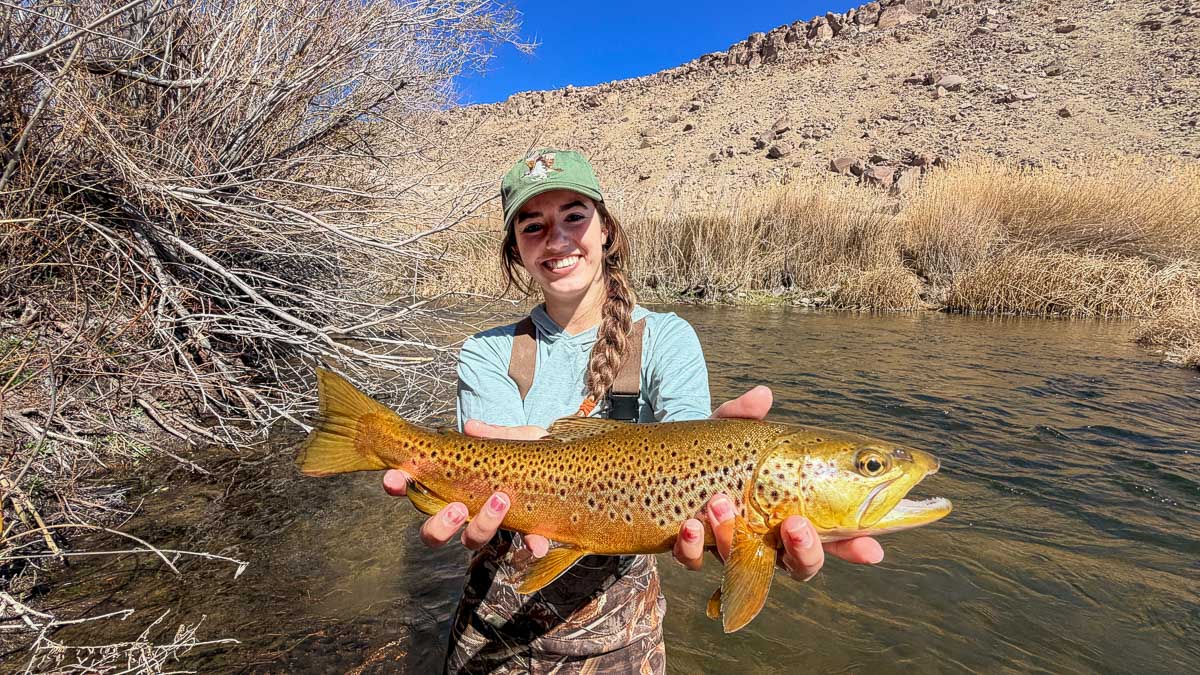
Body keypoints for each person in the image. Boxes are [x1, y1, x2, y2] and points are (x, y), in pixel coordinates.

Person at [382, 149, 885, 673]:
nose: (556, 239)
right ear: (516, 252)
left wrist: (749, 539)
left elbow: (689, 458)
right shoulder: (486, 351)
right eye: (533, 227)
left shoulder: (667, 338)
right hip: (489, 632)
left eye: (574, 217)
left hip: (620, 642)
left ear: (606, 230)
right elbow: (482, 466)